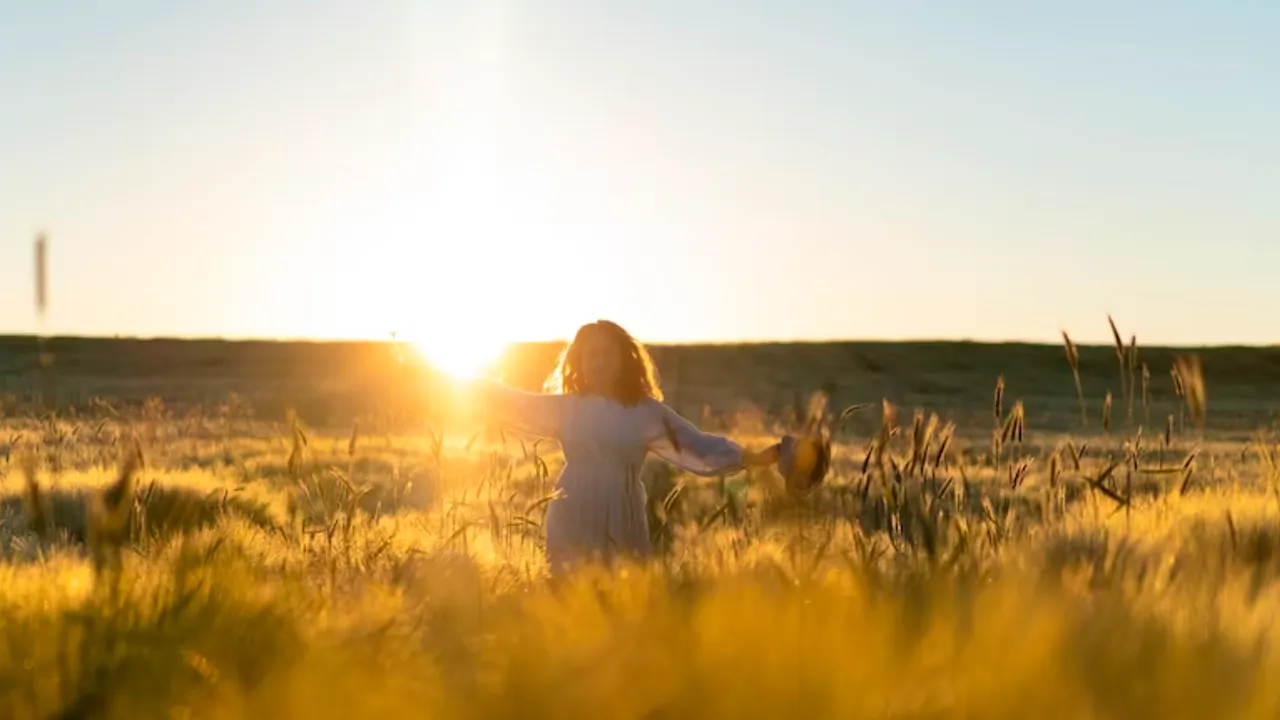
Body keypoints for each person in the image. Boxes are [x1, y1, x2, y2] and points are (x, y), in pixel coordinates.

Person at [441, 320, 788, 574]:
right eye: (591, 355)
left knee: (624, 603)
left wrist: (757, 458)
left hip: (624, 516)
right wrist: (447, 376)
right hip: (571, 512)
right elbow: (512, 402)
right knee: (570, 604)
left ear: (624, 359)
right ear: (580, 361)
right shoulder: (567, 407)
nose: (599, 361)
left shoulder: (646, 412)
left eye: (607, 354)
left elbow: (698, 446)